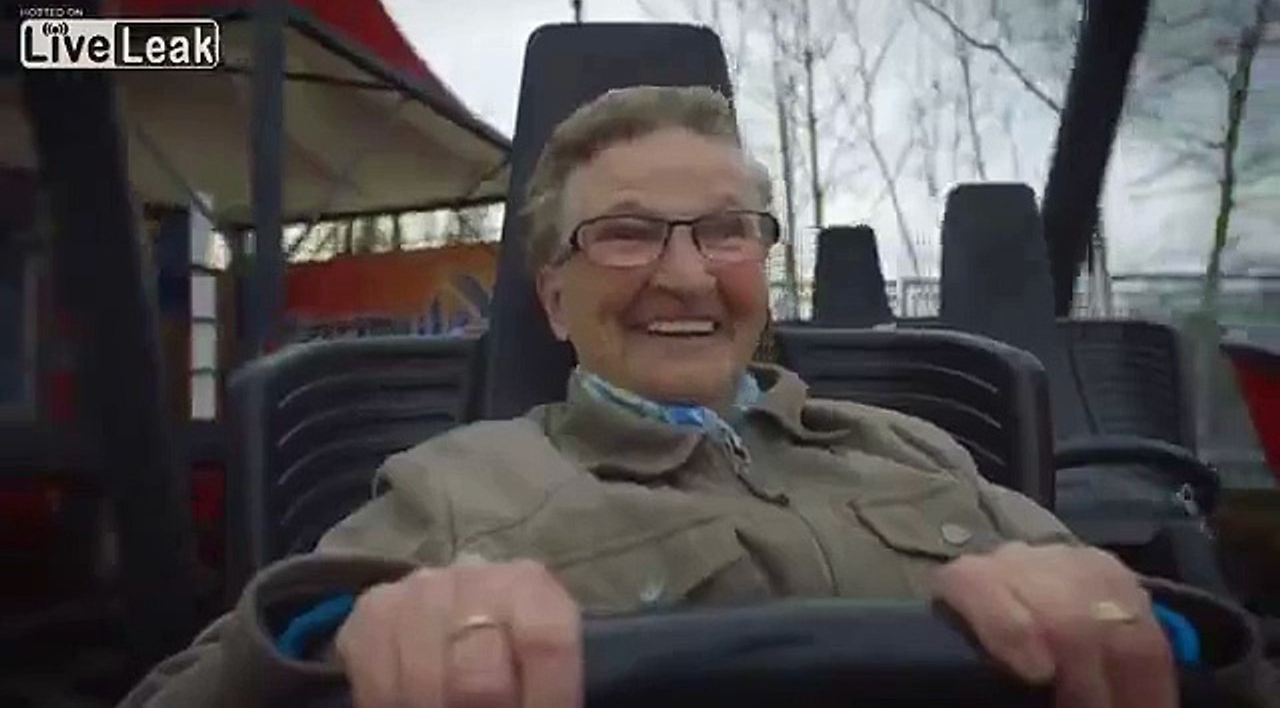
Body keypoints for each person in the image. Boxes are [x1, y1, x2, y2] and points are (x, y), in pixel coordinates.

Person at [121, 85, 1274, 708]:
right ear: (555, 293)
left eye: (722, 231)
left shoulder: (917, 450)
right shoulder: (458, 485)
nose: (682, 273)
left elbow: (1210, 666)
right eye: (625, 234)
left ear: (759, 269)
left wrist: (1156, 624)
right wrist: (334, 633)